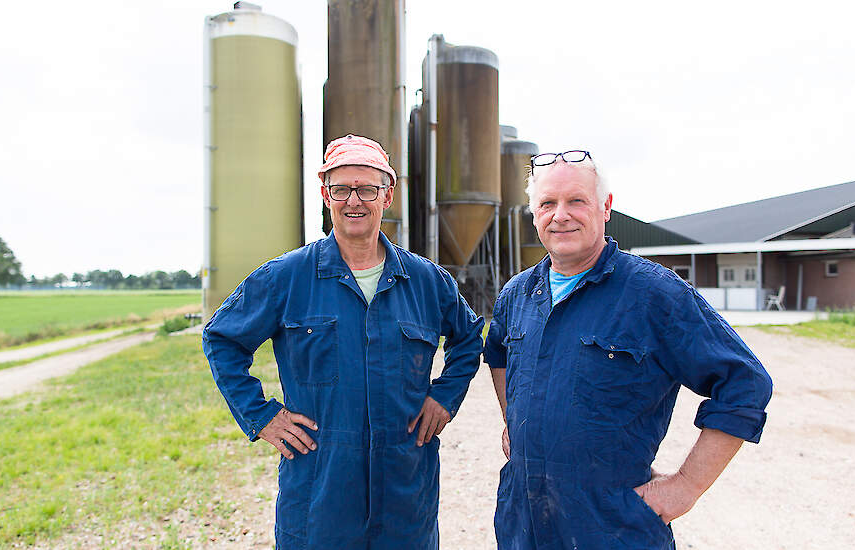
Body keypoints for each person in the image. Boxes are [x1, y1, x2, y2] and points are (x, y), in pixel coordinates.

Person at [203, 134, 484, 550]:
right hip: (320, 493)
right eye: (341, 189)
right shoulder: (287, 277)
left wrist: (444, 397)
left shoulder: (427, 281)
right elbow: (222, 339)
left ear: (387, 195)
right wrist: (260, 415)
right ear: (324, 195)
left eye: (368, 188)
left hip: (405, 493)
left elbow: (468, 337)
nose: (355, 200)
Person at [484, 151, 773, 549]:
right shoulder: (517, 293)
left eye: (577, 201)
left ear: (605, 207)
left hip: (610, 526)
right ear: (533, 214)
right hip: (523, 520)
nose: (561, 215)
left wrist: (685, 487)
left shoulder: (654, 294)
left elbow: (744, 383)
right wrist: (512, 420)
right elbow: (497, 352)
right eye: (547, 203)